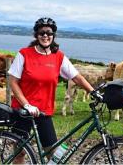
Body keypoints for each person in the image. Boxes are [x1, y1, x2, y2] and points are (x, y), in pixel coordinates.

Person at [8, 17, 102, 163]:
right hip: (22, 110)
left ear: (53, 36)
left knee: (52, 154)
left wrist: (93, 91)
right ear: (36, 35)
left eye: (49, 33)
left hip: (44, 111)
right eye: (41, 32)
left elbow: (77, 77)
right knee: (19, 153)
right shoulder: (24, 54)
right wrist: (26, 104)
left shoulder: (58, 57)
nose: (45, 35)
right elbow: (13, 82)